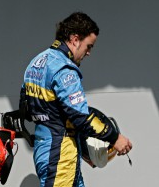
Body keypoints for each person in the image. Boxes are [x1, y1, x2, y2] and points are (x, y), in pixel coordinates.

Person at [19, 12, 132, 187]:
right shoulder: (65, 70)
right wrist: (115, 138)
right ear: (74, 39)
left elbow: (25, 108)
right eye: (89, 46)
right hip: (61, 155)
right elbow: (81, 117)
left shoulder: (36, 62)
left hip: (45, 149)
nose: (88, 53)